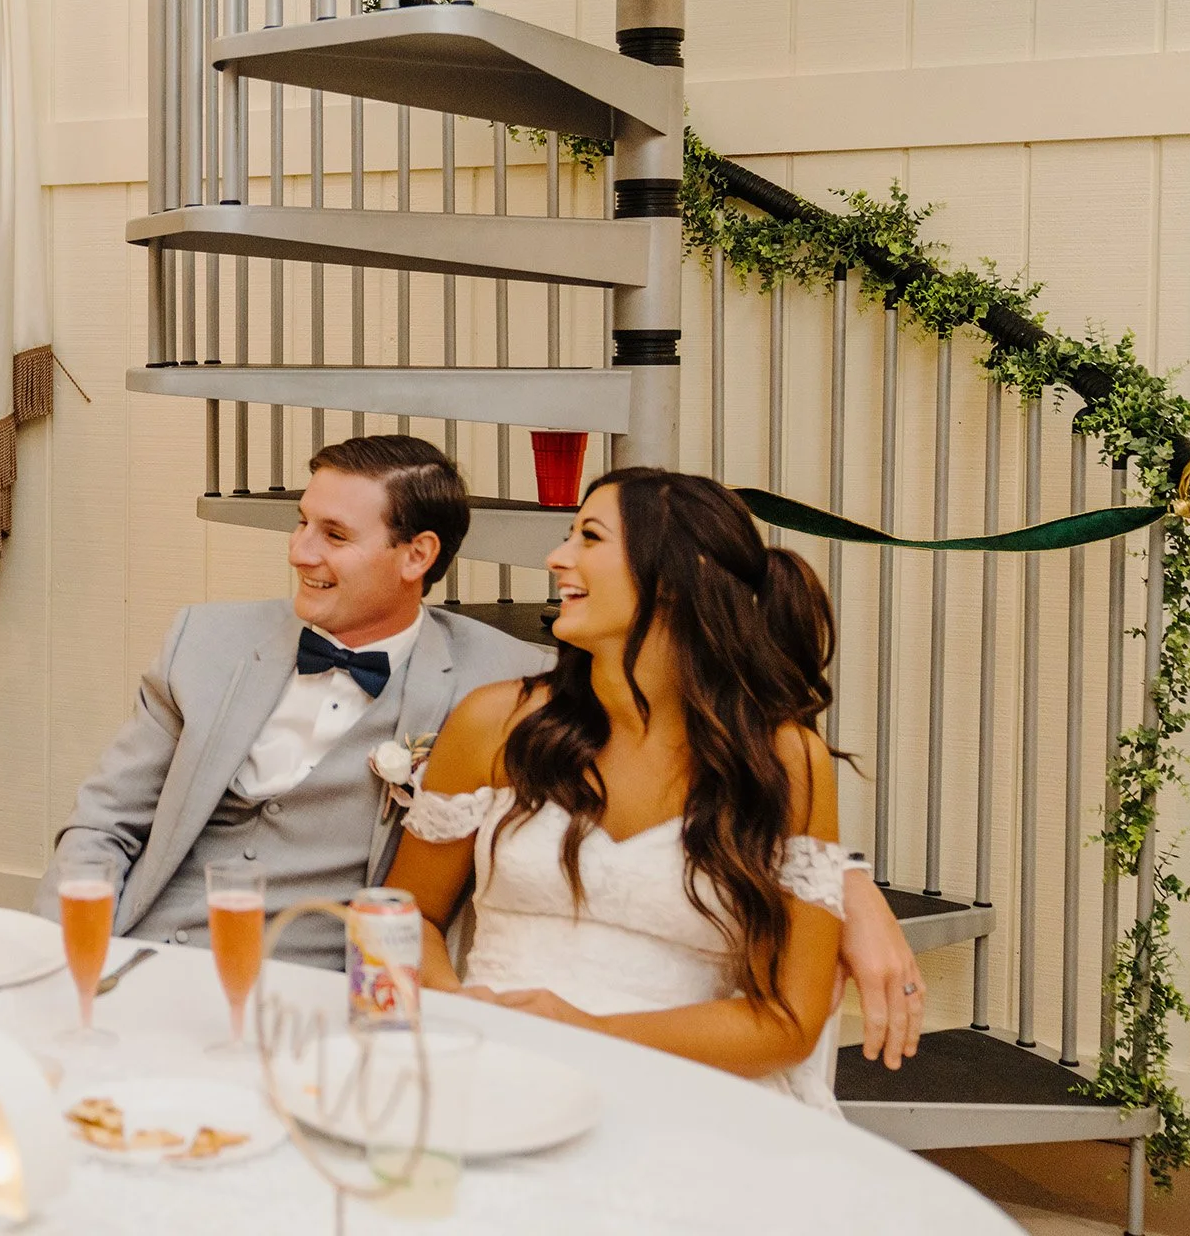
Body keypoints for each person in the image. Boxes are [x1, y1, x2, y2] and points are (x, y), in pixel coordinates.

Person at [386, 468, 918, 1111]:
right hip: (492, 1067)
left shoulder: (783, 759)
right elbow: (406, 915)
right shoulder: (494, 722)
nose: (558, 558)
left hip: (688, 1090)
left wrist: (591, 1035)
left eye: (589, 536)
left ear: (673, 578)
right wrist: (458, 1010)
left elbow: (788, 1022)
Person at [39, 434, 563, 968]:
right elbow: (105, 823)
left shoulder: (503, 683)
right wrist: (66, 957)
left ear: (417, 555)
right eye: (301, 522)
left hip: (317, 998)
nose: (299, 551)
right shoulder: (204, 642)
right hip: (140, 958)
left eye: (334, 535)